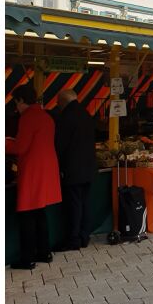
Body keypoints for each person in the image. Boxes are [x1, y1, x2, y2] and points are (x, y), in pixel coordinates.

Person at [5, 85, 63, 270]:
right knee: (39, 212)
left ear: (21, 100)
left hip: (32, 170)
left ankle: (27, 258)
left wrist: (5, 142)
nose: (17, 108)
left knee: (27, 214)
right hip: (46, 169)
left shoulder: (28, 118)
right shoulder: (46, 116)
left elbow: (20, 148)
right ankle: (44, 252)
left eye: (17, 103)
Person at [53, 89, 99, 251]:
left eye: (58, 103)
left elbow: (60, 145)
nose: (58, 106)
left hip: (73, 170)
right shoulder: (85, 114)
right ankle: (84, 237)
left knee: (73, 206)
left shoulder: (66, 117)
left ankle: (73, 240)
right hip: (88, 168)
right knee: (85, 204)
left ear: (62, 102)